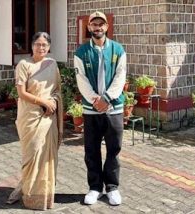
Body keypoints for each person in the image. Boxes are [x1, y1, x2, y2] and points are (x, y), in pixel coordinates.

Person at [74, 11, 126, 206]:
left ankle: (112, 187)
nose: (98, 27)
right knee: (91, 150)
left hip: (114, 108)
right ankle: (95, 188)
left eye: (101, 24)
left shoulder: (118, 50)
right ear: (89, 27)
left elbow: (120, 77)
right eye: (94, 24)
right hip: (91, 109)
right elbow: (82, 80)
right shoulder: (81, 52)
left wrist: (107, 98)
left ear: (106, 27)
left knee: (114, 149)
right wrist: (96, 100)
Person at [6, 32, 63, 210]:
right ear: (32, 46)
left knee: (46, 157)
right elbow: (21, 93)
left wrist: (52, 101)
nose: (41, 48)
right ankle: (29, 195)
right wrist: (43, 102)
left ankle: (43, 195)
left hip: (48, 117)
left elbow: (57, 90)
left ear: (49, 47)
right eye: (37, 44)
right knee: (31, 155)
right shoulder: (24, 65)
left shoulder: (52, 64)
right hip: (30, 117)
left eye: (44, 45)